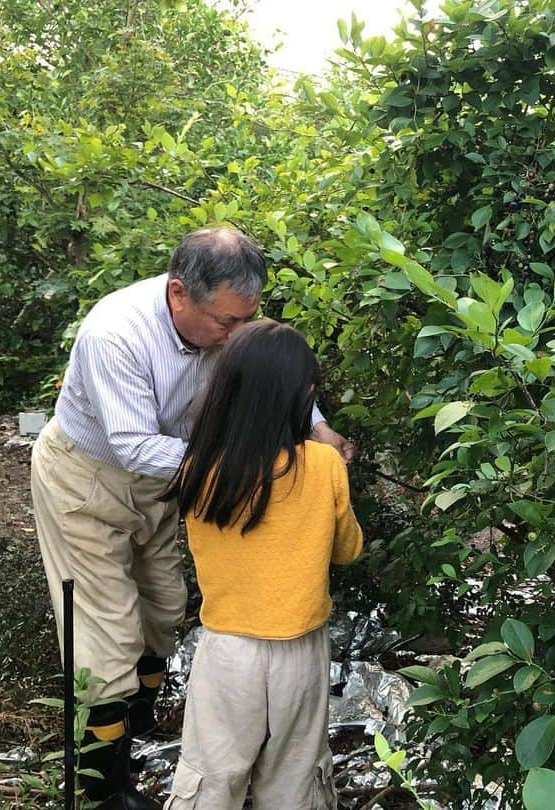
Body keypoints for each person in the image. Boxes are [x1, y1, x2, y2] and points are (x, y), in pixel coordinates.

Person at [30, 228, 354, 810]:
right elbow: (132, 445)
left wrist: (314, 424)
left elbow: (262, 376)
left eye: (243, 322)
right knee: (105, 635)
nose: (234, 336)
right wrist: (253, 465)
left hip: (176, 477)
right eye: (227, 325)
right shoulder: (116, 333)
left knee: (162, 610)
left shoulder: (223, 312)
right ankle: (102, 789)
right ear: (179, 293)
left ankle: (135, 725)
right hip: (88, 479)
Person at [161, 319, 362, 809]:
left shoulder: (200, 468)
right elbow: (348, 550)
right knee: (295, 783)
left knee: (211, 782)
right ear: (300, 394)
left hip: (228, 653)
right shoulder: (323, 465)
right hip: (301, 652)